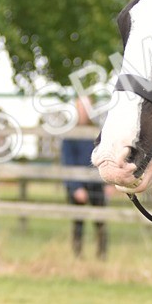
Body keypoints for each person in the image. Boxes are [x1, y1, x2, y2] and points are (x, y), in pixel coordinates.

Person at [61, 97, 107, 258]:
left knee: (100, 220)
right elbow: (68, 162)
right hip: (78, 184)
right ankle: (77, 254)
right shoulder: (70, 134)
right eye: (80, 107)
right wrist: (75, 187)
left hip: (96, 183)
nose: (84, 111)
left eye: (86, 107)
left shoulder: (99, 132)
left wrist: (109, 183)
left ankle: (102, 254)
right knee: (78, 222)